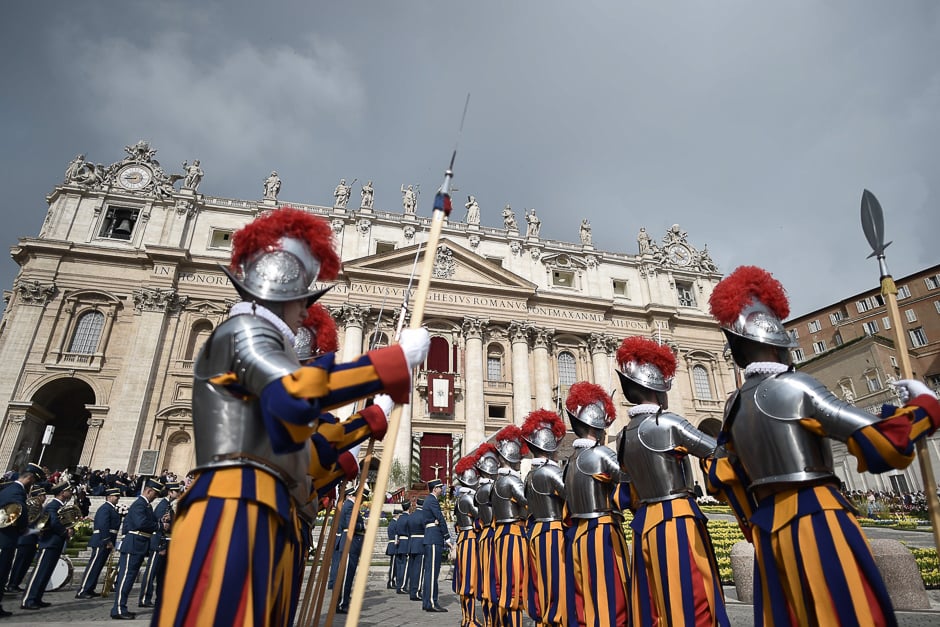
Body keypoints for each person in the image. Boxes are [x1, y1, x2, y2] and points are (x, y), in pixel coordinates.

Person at [154, 207, 428, 627]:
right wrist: (392, 363)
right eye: (304, 300)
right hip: (236, 504)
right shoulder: (243, 330)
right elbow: (294, 394)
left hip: (264, 501)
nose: (307, 313)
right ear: (282, 292)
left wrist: (377, 411)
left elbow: (311, 446)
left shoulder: (254, 337)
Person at [706, 265, 940, 627]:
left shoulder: (733, 406)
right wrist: (923, 408)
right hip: (818, 517)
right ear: (779, 344)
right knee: (846, 612)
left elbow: (723, 477)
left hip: (768, 531)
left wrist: (752, 524)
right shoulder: (795, 386)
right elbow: (881, 443)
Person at [614, 336, 730, 627]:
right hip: (677, 518)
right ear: (659, 392)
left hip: (643, 524)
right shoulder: (669, 423)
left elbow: (624, 494)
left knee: (652, 602)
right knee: (692, 599)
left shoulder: (623, 436)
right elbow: (719, 453)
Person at [564, 381, 630, 627]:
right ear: (599, 428)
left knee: (585, 601)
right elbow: (631, 480)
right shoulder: (602, 454)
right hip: (603, 532)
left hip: (578, 534)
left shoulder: (571, 460)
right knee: (612, 597)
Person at [519, 409, 568, 627]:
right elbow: (571, 497)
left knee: (542, 584)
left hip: (537, 531)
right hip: (553, 531)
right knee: (556, 585)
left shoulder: (530, 475)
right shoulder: (551, 472)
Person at [491, 425, 528, 627]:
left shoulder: (496, 482)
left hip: (500, 533)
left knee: (503, 583)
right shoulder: (512, 481)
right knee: (514, 587)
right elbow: (528, 503)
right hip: (514, 533)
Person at [110, 478, 163, 620]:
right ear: (148, 491)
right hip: (133, 544)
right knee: (126, 577)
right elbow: (141, 523)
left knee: (130, 577)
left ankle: (122, 607)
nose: (156, 497)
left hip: (139, 545)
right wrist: (159, 526)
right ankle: (118, 609)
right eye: (155, 494)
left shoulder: (146, 506)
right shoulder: (140, 504)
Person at [0, 463, 45, 617]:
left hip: (6, 536)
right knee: (2, 572)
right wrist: (26, 528)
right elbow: (20, 512)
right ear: (30, 478)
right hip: (6, 538)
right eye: (34, 482)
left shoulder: (8, 489)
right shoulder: (17, 493)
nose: (33, 485)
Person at [22, 480, 74, 611]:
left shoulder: (59, 505)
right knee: (40, 572)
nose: (71, 492)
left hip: (55, 542)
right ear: (62, 493)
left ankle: (37, 597)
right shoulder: (53, 506)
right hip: (49, 542)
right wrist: (65, 531)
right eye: (68, 490)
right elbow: (54, 523)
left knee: (46, 572)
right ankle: (28, 599)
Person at [138, 481, 181, 608]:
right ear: (170, 492)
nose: (179, 494)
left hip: (166, 543)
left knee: (162, 574)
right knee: (151, 573)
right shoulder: (163, 506)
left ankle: (160, 598)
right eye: (176, 491)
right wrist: (160, 546)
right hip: (159, 544)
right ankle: (145, 598)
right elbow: (159, 528)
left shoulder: (169, 505)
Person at [75, 486, 122, 599]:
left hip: (106, 540)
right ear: (109, 497)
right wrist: (107, 540)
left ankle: (90, 588)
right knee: (94, 565)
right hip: (102, 540)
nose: (118, 498)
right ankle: (83, 590)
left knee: (98, 566)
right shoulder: (105, 508)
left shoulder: (111, 508)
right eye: (116, 496)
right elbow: (103, 525)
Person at [452, 451, 480, 627]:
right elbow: (480, 516)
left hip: (463, 537)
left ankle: (467, 617)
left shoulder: (460, 497)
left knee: (465, 580)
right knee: (468, 582)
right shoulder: (469, 498)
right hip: (470, 538)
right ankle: (469, 619)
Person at [473, 445, 500, 627]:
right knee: (497, 580)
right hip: (494, 534)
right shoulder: (493, 488)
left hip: (483, 535)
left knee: (486, 581)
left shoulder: (477, 491)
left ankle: (489, 620)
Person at [335, 484, 369, 614]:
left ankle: (343, 601)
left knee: (347, 574)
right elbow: (351, 525)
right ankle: (343, 603)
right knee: (346, 576)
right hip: (350, 543)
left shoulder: (350, 506)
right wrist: (363, 525)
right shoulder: (349, 506)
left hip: (352, 543)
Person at [6, 484, 46, 593]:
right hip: (25, 539)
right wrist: (37, 531)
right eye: (43, 495)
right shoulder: (31, 506)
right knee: (19, 564)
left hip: (32, 539)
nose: (44, 497)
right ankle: (11, 584)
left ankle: (16, 583)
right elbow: (27, 524)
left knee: (25, 564)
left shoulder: (40, 508)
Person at [421, 478, 453, 613]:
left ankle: (427, 601)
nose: (442, 490)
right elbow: (440, 517)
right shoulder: (432, 500)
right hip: (434, 538)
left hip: (430, 537)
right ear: (435, 489)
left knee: (430, 572)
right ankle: (432, 602)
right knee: (433, 572)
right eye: (440, 487)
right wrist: (447, 538)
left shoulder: (428, 501)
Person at [404, 497, 426, 601]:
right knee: (419, 570)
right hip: (420, 544)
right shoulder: (424, 516)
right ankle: (416, 591)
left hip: (411, 543)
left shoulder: (411, 516)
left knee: (412, 569)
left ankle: (412, 590)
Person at [394, 500, 412, 595]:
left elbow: (396, 530)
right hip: (406, 542)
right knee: (405, 567)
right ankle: (402, 586)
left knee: (400, 566)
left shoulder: (399, 518)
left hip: (400, 543)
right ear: (409, 508)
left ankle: (398, 584)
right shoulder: (409, 518)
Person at [385, 509, 400, 590]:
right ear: (397, 515)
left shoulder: (393, 523)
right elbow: (395, 535)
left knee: (394, 565)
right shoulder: (394, 523)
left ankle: (392, 581)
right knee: (393, 565)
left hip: (393, 544)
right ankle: (390, 581)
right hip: (393, 545)